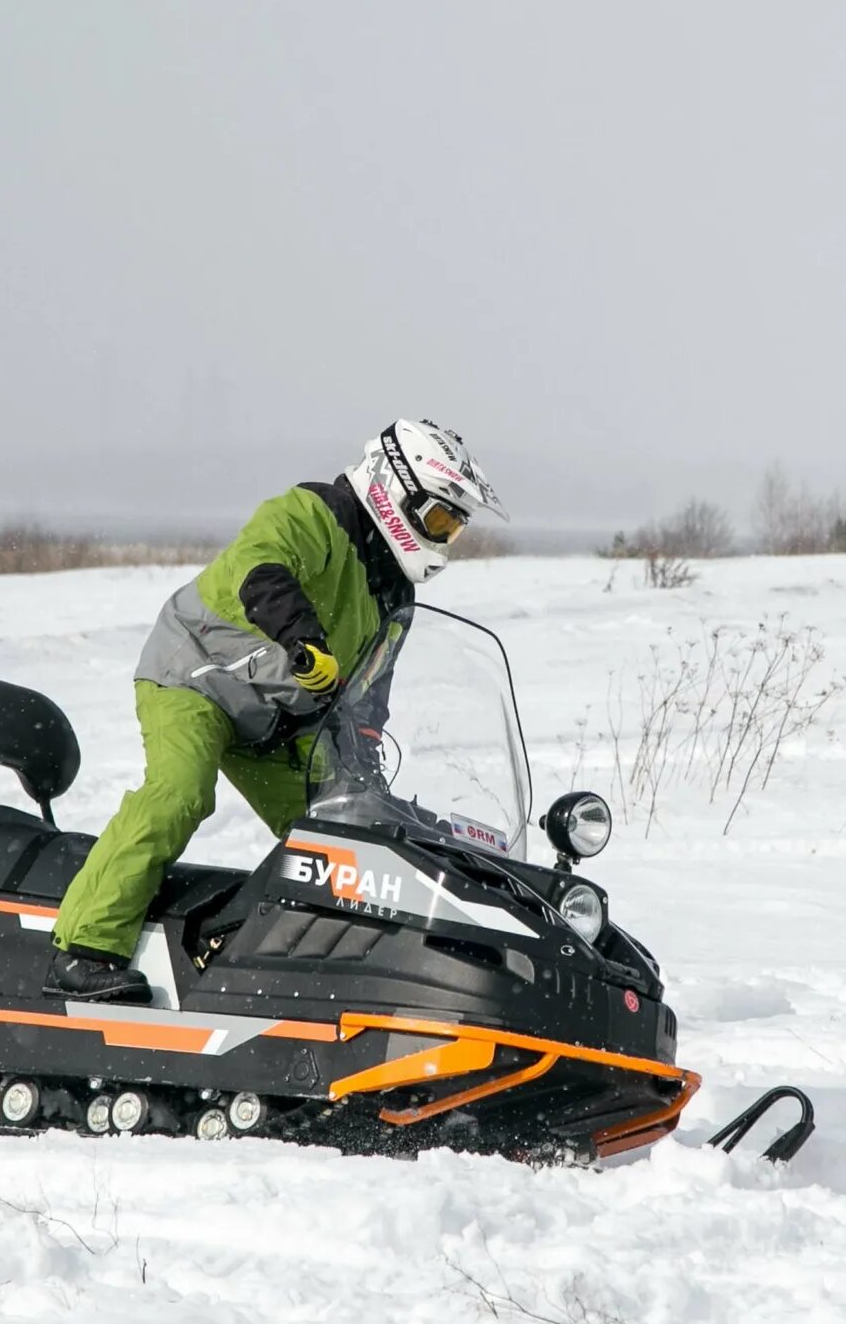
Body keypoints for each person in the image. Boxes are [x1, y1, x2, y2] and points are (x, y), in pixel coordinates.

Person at [49, 419, 507, 1003]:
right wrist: (302, 641)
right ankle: (83, 947)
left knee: (350, 834)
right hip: (196, 675)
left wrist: (362, 765)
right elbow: (259, 570)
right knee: (180, 793)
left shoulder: (396, 593)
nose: (444, 538)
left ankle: (331, 974)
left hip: (276, 717)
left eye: (454, 528)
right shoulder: (315, 512)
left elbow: (370, 693)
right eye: (439, 521)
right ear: (396, 493)